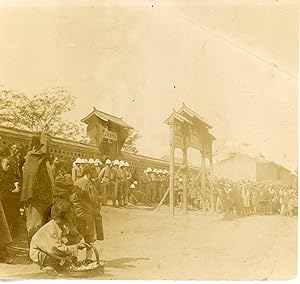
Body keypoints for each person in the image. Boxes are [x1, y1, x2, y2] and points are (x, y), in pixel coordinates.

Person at [30, 198, 88, 273]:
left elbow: (64, 239)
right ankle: (48, 266)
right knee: (60, 251)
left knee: (69, 240)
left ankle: (59, 264)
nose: (72, 216)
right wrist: (75, 247)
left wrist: (74, 239)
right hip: (40, 253)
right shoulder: (51, 228)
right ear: (63, 215)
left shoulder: (59, 225)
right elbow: (56, 248)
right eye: (70, 214)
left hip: (49, 248)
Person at [21, 132, 53, 243]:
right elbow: (43, 151)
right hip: (34, 197)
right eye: (44, 145)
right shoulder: (31, 156)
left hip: (44, 197)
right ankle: (32, 251)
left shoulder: (44, 163)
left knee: (43, 226)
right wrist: (44, 139)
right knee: (34, 226)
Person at [73, 164, 104, 264]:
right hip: (82, 215)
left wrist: (98, 204)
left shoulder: (91, 183)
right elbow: (75, 201)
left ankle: (88, 259)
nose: (96, 173)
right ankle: (73, 258)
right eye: (94, 171)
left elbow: (95, 197)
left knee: (90, 237)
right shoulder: (79, 183)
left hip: (90, 215)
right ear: (90, 171)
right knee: (77, 237)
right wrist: (80, 213)